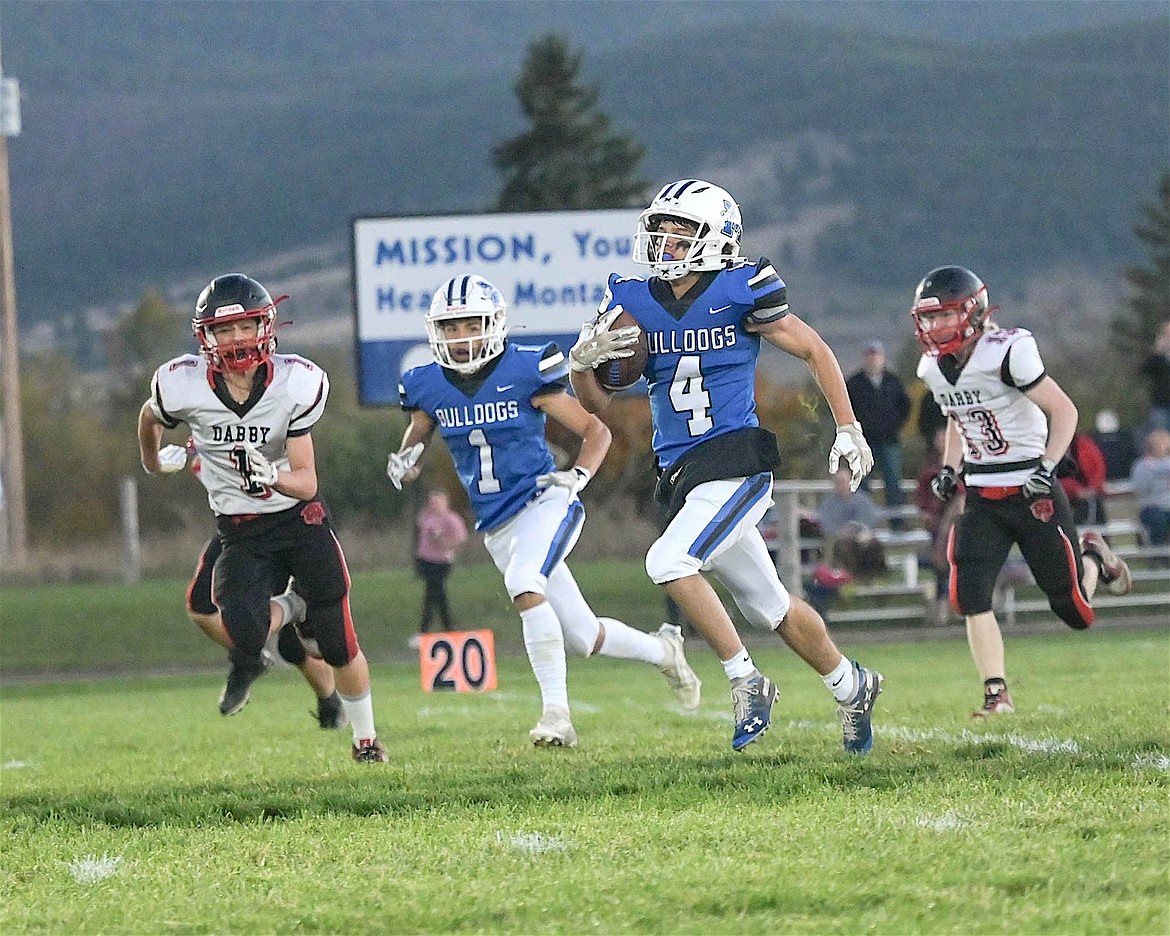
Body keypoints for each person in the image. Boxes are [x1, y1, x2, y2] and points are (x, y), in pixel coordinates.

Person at [568, 178, 884, 754]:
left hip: (736, 461)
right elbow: (600, 405)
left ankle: (746, 679)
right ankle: (850, 683)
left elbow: (814, 348)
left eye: (679, 228)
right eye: (659, 228)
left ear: (716, 236)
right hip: (684, 474)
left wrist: (849, 427)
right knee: (772, 607)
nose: (664, 240)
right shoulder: (633, 299)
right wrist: (582, 368)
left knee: (667, 561)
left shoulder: (742, 288)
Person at [388, 273, 701, 748]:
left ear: (493, 324)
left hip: (545, 500)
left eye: (470, 323)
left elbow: (597, 432)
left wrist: (576, 479)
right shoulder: (427, 384)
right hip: (497, 523)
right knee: (584, 635)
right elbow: (416, 438)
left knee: (524, 582)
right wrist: (405, 461)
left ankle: (557, 716)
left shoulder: (526, 370)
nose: (461, 336)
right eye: (450, 327)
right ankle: (664, 650)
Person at [137, 273, 387, 762]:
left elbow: (307, 480)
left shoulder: (296, 382)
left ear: (266, 328)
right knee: (244, 630)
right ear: (204, 337)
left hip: (297, 519)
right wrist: (153, 460)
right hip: (241, 531)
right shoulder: (181, 384)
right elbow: (149, 417)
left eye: (244, 328)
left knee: (336, 642)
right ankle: (289, 617)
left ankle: (366, 741)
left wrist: (271, 474)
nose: (234, 341)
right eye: (222, 331)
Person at [911, 265, 1133, 717]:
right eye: (929, 318)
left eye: (945, 316)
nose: (935, 327)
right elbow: (957, 416)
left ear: (972, 313)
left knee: (1076, 612)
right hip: (982, 493)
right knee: (968, 594)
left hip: (1033, 488)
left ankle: (1093, 555)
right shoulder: (933, 368)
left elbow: (1064, 411)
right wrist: (951, 468)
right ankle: (996, 694)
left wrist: (1047, 466)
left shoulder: (1009, 350)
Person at [182, 438, 347, 728]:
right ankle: (249, 658)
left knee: (292, 642)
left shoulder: (275, 407)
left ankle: (329, 699)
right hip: (238, 529)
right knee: (201, 605)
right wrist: (170, 458)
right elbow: (196, 456)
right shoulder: (204, 411)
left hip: (290, 524)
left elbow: (301, 466)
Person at [845, 340, 911, 523]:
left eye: (876, 355)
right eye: (869, 355)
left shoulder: (893, 381)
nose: (873, 359)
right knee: (862, 483)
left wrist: (895, 425)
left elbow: (905, 406)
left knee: (893, 482)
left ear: (882, 358)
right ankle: (863, 523)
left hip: (889, 440)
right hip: (863, 442)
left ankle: (897, 524)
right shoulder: (854, 384)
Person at [410, 488, 469, 648]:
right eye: (432, 502)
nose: (434, 505)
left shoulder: (451, 519)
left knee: (433, 595)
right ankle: (448, 628)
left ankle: (428, 631)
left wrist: (443, 541)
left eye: (438, 501)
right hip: (426, 560)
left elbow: (460, 538)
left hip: (441, 561)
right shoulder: (427, 517)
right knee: (436, 595)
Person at [817, 467, 886, 580]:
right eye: (838, 482)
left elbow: (870, 519)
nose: (841, 485)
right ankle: (851, 578)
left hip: (861, 534)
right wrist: (839, 532)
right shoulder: (828, 503)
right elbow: (825, 523)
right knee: (844, 547)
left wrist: (855, 530)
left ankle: (876, 576)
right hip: (838, 537)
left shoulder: (863, 500)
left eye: (844, 482)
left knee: (873, 545)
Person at [1130, 428, 1170, 547]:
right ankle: (1157, 550)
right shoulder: (1141, 466)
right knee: (1157, 519)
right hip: (1152, 507)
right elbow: (1140, 488)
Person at [1059, 432, 1108, 526]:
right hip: (1066, 496)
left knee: (1094, 509)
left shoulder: (1084, 444)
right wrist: (1076, 491)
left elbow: (1098, 466)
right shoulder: (1050, 448)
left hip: (1090, 493)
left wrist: (1093, 487)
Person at [1139, 320, 1170, 436]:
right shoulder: (1158, 358)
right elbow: (1144, 371)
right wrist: (1157, 353)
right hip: (1160, 404)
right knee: (1160, 436)